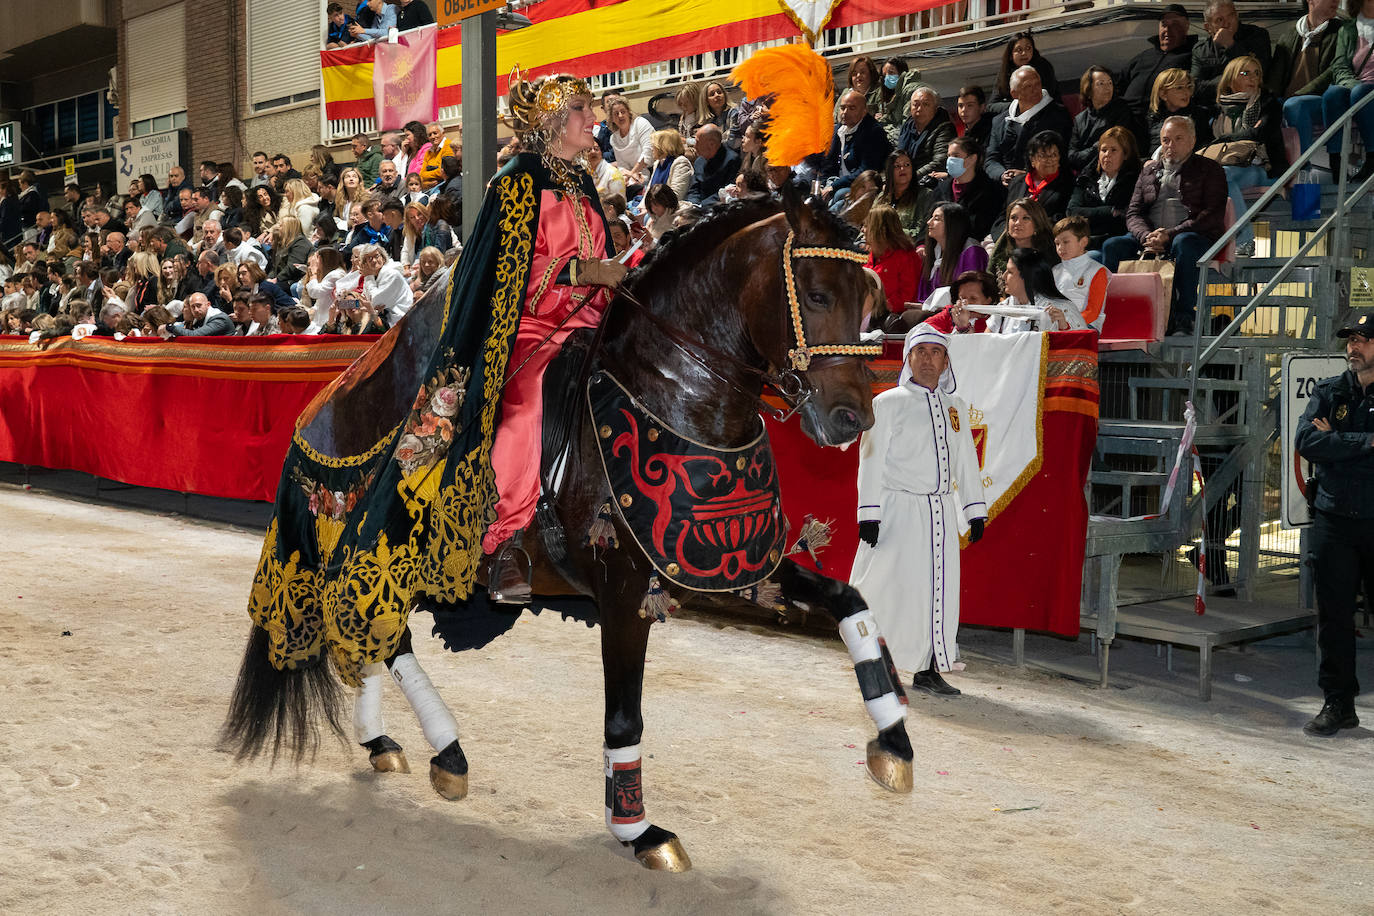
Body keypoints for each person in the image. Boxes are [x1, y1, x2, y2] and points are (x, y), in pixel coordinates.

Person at [851, 324, 987, 695]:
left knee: (936, 593)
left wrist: (975, 510)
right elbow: (871, 461)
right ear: (908, 358)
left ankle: (928, 669)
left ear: (946, 361)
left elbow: (966, 463)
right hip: (899, 511)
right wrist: (869, 514)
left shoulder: (956, 408)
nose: (928, 359)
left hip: (939, 513)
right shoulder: (888, 403)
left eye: (936, 352)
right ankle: (878, 665)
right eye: (921, 351)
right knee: (890, 590)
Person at [1295, 311, 1374, 736]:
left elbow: (1325, 445)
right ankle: (1338, 702)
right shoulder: (1329, 391)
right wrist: (1367, 441)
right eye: (1351, 338)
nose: (1354, 346)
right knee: (1334, 617)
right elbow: (1307, 441)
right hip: (1334, 517)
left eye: (1364, 339)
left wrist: (1336, 443)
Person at [1102, 115, 1227, 336]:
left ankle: (1184, 317)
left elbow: (1211, 215)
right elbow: (1133, 213)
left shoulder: (1210, 169)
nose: (1170, 146)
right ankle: (1115, 316)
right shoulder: (1148, 171)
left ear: (1192, 140)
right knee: (1113, 246)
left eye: (1178, 139)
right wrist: (1145, 236)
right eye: (1166, 140)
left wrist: (1169, 234)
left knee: (1184, 243)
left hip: (1192, 235)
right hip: (1151, 237)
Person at [1210, 56, 1289, 254]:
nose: (1253, 78)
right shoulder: (1217, 111)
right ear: (1230, 79)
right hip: (1228, 168)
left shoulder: (1269, 104)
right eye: (1245, 73)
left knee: (1223, 176)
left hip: (1262, 168)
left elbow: (1257, 133)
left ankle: (1244, 240)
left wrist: (1223, 140)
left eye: (1257, 73)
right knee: (1221, 178)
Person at [1269, 0, 1343, 153]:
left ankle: (1303, 168)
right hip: (1288, 99)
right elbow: (1274, 78)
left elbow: (1334, 71)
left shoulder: (1341, 31)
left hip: (1320, 99)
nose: (1337, 1)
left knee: (1296, 105)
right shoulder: (1290, 34)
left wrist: (1298, 94)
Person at [985, 66, 1073, 185]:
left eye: (1037, 84)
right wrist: (1002, 175)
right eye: (1028, 86)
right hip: (1005, 190)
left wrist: (1025, 175)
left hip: (1045, 186)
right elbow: (991, 159)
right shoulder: (1000, 121)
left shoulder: (1057, 115)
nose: (1035, 89)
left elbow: (1061, 155)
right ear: (1014, 93)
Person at [1068, 126, 1142, 256]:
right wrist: (1109, 211)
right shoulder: (1086, 177)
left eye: (1114, 150)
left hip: (1119, 240)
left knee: (1094, 256)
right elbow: (1072, 211)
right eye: (1104, 150)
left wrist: (1091, 215)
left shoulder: (1135, 180)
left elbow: (1125, 215)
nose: (1107, 155)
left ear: (1125, 154)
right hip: (1089, 240)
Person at [1118, 4, 1199, 120]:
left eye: (1174, 25)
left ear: (1186, 26)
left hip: (1158, 123)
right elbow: (1119, 87)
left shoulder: (1193, 55)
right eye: (1164, 25)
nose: (1167, 30)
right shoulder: (1142, 57)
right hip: (1126, 122)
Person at [1323, 0, 1374, 181]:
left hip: (1369, 91)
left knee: (1361, 94)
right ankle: (1336, 163)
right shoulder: (1348, 29)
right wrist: (1353, 85)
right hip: (1357, 85)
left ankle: (1371, 158)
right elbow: (1339, 66)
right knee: (1333, 95)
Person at [988, 247, 1085, 333]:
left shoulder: (1062, 309)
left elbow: (1081, 345)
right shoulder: (1003, 308)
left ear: (1027, 277)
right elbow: (985, 344)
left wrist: (1063, 326)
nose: (1004, 276)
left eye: (1010, 272)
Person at [821, 90, 893, 205]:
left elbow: (866, 170)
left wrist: (834, 186)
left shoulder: (873, 132)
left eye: (852, 108)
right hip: (836, 182)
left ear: (864, 112)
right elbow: (828, 164)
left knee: (839, 195)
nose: (845, 112)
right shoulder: (838, 130)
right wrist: (824, 184)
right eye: (842, 108)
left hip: (862, 185)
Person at [994, 130, 1073, 235]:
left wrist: (1028, 231)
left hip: (1043, 240)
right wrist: (1007, 235)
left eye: (1054, 155)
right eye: (1043, 155)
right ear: (1032, 160)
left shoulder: (1068, 184)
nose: (1049, 160)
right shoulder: (1017, 182)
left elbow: (1061, 219)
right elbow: (1003, 216)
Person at [1191, 0, 1272, 100]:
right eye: (1219, 20)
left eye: (1231, 16)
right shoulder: (1201, 50)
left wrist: (1231, 45)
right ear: (1208, 27)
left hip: (1251, 101)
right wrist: (1230, 81)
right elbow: (1195, 87)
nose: (1227, 23)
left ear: (1237, 16)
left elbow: (1259, 74)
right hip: (1214, 105)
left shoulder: (1256, 36)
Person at [1070, 66, 1142, 173]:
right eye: (1101, 84)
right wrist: (1096, 148)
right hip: (1085, 177)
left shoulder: (1122, 110)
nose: (1108, 88)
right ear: (1088, 90)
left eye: (1110, 83)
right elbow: (1071, 157)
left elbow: (1116, 146)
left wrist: (1094, 149)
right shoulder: (1080, 119)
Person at [933, 137, 1002, 242]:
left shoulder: (992, 190)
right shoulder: (941, 188)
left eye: (956, 156)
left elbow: (982, 226)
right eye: (949, 156)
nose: (950, 160)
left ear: (972, 158)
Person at [917, 202, 988, 303]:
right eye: (931, 217)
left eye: (936, 219)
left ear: (953, 224)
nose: (929, 222)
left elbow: (969, 295)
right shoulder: (935, 251)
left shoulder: (971, 252)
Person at [1051, 216, 1109, 331]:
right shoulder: (1055, 270)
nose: (1060, 248)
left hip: (1087, 326)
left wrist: (1068, 324)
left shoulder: (1097, 271)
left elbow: (1093, 311)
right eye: (1057, 243)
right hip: (1057, 326)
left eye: (1066, 242)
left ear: (1083, 242)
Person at [863, 204, 921, 316]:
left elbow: (907, 297)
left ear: (882, 230)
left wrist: (881, 307)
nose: (863, 230)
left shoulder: (906, 257)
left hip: (893, 319)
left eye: (866, 226)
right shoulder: (868, 255)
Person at [988, 196, 1058, 284]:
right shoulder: (1001, 249)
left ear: (1037, 224)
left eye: (1026, 218)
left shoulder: (1050, 257)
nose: (1017, 223)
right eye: (1013, 218)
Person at [1147, 68, 1216, 154]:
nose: (1186, 92)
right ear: (1163, 93)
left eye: (1188, 87)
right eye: (1179, 88)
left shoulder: (1199, 115)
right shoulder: (1151, 117)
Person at [990, 30, 1059, 115]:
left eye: (1028, 48)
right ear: (1011, 55)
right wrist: (1017, 106)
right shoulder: (1005, 73)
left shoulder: (1043, 67)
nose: (1024, 53)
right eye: (1019, 50)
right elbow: (991, 106)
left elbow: (1049, 95)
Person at [896, 87, 958, 182]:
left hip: (929, 182)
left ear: (935, 109)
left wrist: (909, 178)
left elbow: (940, 162)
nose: (919, 109)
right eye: (915, 104)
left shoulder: (945, 128)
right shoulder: (907, 127)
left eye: (926, 104)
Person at [877, 150, 935, 239]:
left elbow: (921, 231)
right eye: (897, 166)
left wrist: (889, 232)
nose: (902, 169)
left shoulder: (925, 195)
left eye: (907, 165)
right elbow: (869, 223)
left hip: (905, 246)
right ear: (890, 171)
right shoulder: (882, 196)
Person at [925, 269, 995, 335]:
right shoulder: (950, 313)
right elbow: (924, 329)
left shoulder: (994, 322)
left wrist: (964, 328)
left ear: (988, 300)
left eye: (973, 298)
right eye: (962, 298)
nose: (966, 303)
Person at [686, 124, 740, 208]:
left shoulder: (732, 160)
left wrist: (702, 207)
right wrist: (693, 205)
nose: (695, 146)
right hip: (697, 208)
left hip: (719, 209)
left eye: (698, 142)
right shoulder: (699, 161)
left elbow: (726, 192)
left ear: (712, 144)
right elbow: (694, 189)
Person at [872, 58, 924, 142]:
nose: (887, 78)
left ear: (901, 72)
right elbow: (895, 118)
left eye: (891, 73)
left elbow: (907, 123)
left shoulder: (910, 90)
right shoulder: (894, 94)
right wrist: (882, 120)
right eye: (884, 75)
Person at [606, 96, 655, 185]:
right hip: (632, 175)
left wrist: (631, 174)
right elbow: (622, 165)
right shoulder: (614, 139)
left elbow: (648, 153)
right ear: (612, 119)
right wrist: (626, 178)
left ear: (628, 112)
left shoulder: (640, 123)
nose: (620, 115)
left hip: (651, 171)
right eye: (616, 114)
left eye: (623, 112)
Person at [646, 129, 693, 202]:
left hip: (669, 208)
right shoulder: (657, 163)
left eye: (654, 146)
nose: (652, 149)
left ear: (663, 146)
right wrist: (642, 207)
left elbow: (676, 196)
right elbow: (649, 191)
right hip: (654, 206)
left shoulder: (680, 163)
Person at [161, 291, 234, 337]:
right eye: (193, 307)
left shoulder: (219, 319)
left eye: (199, 305)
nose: (196, 310)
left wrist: (170, 327)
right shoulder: (199, 318)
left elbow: (194, 336)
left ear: (208, 304)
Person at [955, 85, 993, 150]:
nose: (963, 110)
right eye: (960, 106)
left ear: (982, 107)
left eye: (970, 105)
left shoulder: (992, 131)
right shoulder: (965, 134)